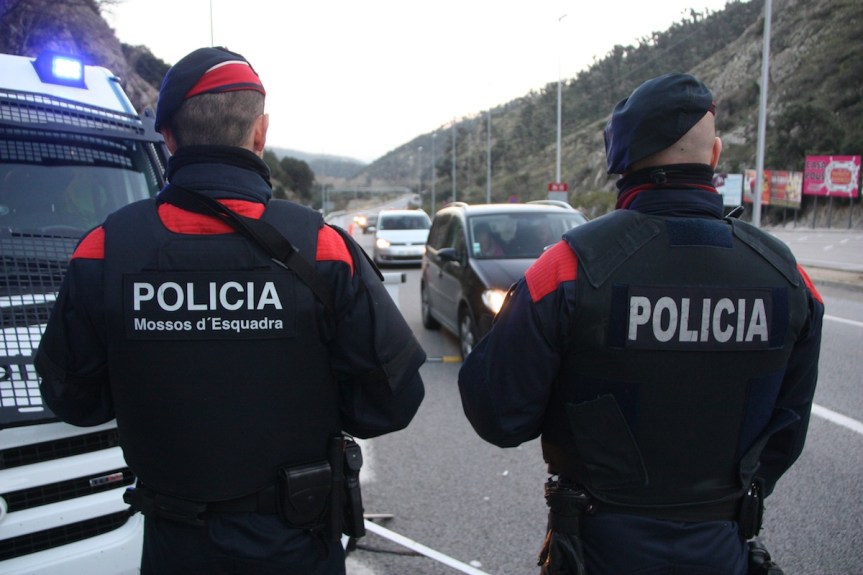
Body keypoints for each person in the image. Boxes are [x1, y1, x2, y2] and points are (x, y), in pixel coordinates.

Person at [35, 46, 426, 575]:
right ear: (260, 133)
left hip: (174, 546)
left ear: (167, 137)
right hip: (295, 543)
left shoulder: (104, 250)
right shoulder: (321, 248)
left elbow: (73, 400)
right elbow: (392, 401)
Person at [458, 73, 824, 575]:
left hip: (598, 548)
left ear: (621, 163)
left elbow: (498, 414)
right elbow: (787, 429)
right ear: (714, 156)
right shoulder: (788, 275)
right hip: (723, 546)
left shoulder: (566, 268)